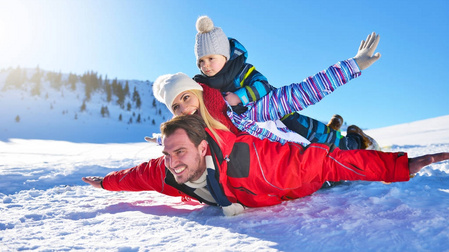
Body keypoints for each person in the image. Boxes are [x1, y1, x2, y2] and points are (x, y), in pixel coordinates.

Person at [83, 115, 449, 216]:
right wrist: (106, 183)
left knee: (334, 172)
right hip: (280, 191)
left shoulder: (250, 162)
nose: (172, 162)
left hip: (304, 182)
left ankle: (356, 138)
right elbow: (139, 175)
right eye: (167, 154)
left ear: (203, 145)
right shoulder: (169, 171)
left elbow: (324, 163)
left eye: (179, 152)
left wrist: (398, 167)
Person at [192, 15, 380, 149]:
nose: (205, 65)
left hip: (294, 125)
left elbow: (305, 91)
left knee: (339, 147)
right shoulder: (208, 93)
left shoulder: (255, 93)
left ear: (225, 56)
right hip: (283, 148)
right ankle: (333, 128)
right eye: (201, 61)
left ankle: (358, 139)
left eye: (211, 58)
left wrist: (353, 66)